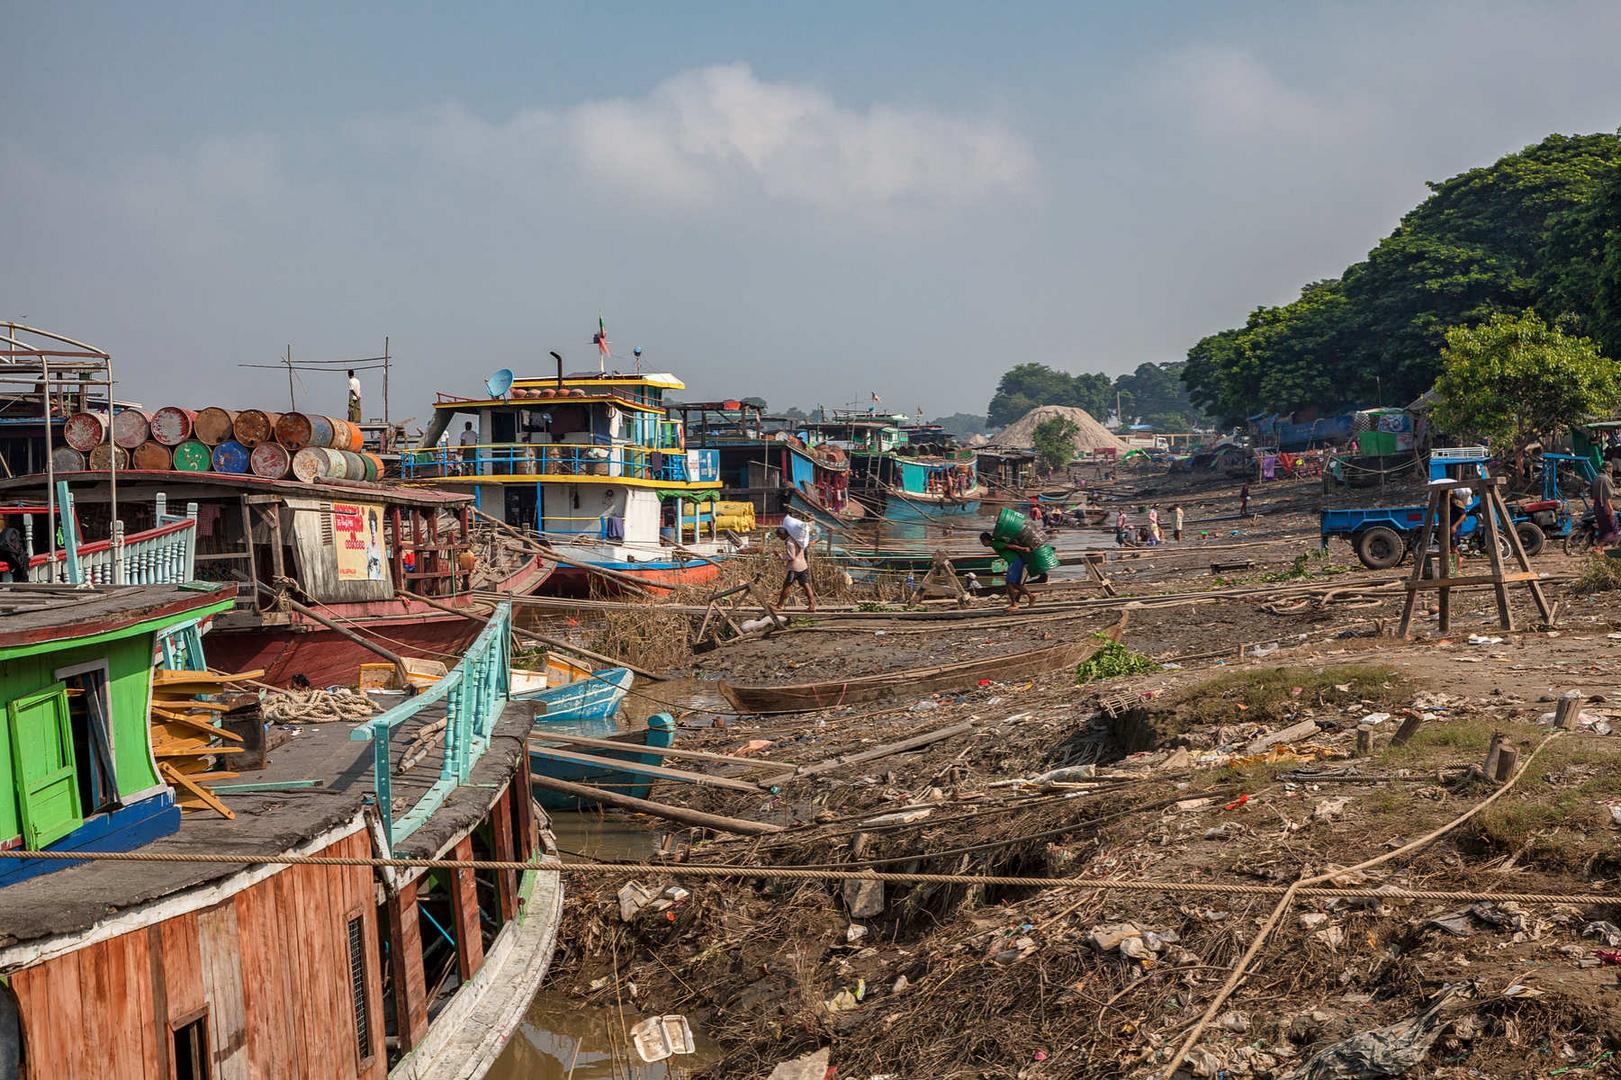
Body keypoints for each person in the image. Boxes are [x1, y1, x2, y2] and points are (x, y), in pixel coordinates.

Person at [980, 531, 1034, 613]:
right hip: (1015, 561)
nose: (982, 544)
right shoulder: (994, 544)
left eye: (982, 541)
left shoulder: (995, 543)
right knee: (1015, 583)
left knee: (1009, 582)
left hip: (1015, 561)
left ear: (986, 540)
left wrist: (1023, 549)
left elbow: (1009, 546)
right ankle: (1030, 596)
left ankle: (1014, 604)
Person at [775, 526, 817, 611]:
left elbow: (792, 557)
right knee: (806, 585)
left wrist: (779, 555)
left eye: (779, 536)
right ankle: (812, 605)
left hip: (794, 568)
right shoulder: (797, 540)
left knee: (786, 586)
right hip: (803, 566)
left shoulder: (790, 543)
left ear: (783, 534)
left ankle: (780, 605)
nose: (779, 538)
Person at [1595, 461, 1619, 545]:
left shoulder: (1597, 477)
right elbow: (1606, 498)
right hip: (1604, 507)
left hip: (1596, 506)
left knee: (1603, 529)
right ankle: (1599, 547)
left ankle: (1599, 547)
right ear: (1608, 468)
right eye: (1611, 467)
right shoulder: (1605, 479)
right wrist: (1611, 510)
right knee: (1613, 530)